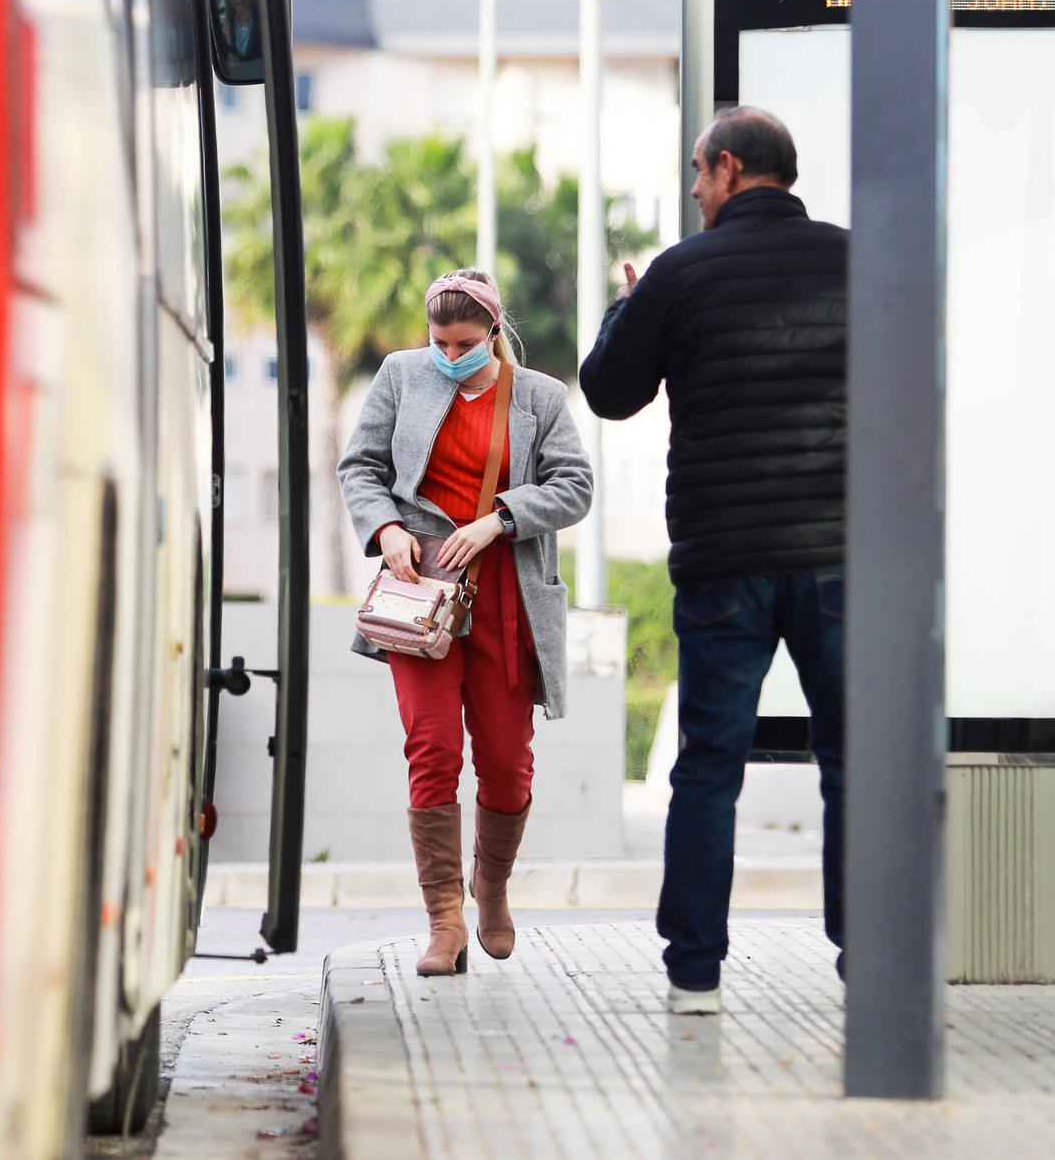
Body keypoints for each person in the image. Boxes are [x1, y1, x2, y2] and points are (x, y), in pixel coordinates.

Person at [577, 107, 848, 1013]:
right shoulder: (858, 259)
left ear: (729, 168)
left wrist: (627, 304)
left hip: (725, 556)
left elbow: (610, 391)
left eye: (698, 173)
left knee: (709, 765)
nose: (694, 190)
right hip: (838, 555)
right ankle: (868, 954)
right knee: (853, 758)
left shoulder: (679, 274)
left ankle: (695, 968)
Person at [339, 269, 594, 976]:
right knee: (432, 750)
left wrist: (499, 520)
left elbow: (576, 485)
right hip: (417, 595)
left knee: (509, 767)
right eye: (438, 341)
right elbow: (359, 465)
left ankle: (494, 885)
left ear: (492, 331)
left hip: (506, 597)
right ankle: (444, 920)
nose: (448, 355)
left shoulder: (539, 396)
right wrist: (386, 526)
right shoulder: (400, 375)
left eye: (462, 342)